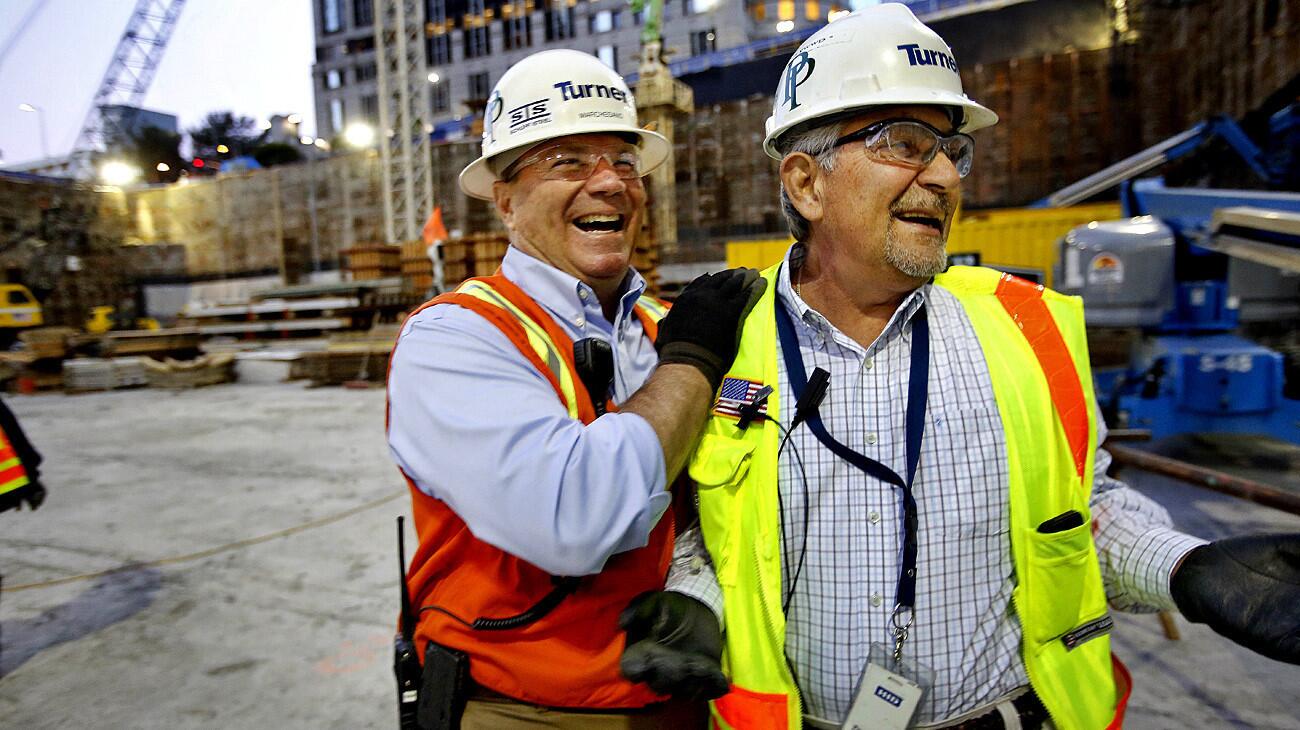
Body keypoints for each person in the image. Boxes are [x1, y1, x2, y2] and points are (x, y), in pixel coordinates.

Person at [621, 6, 1300, 729]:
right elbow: (714, 533)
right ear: (805, 184)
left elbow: (1082, 512)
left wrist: (1184, 568)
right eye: (908, 144)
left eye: (952, 150)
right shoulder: (726, 338)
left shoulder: (1024, 326)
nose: (945, 175)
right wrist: (694, 603)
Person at [386, 48, 761, 728]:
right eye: (568, 161)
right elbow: (574, 516)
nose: (611, 183)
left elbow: (731, 496)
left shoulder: (661, 327)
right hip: (521, 706)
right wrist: (695, 362)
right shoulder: (454, 339)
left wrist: (698, 587)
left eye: (623, 161)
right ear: (505, 198)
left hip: (682, 697)